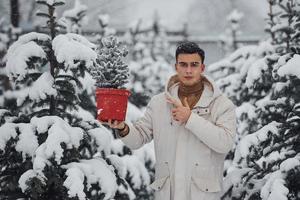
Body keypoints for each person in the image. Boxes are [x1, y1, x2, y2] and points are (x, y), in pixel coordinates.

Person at [105, 41, 236, 200]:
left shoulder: (222, 104)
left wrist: (190, 119)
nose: (188, 70)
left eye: (194, 64)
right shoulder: (159, 103)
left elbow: (225, 143)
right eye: (183, 64)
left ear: (202, 68)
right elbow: (138, 138)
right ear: (176, 67)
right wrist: (123, 128)